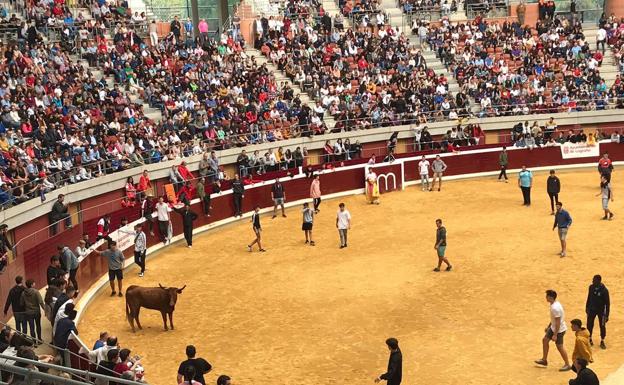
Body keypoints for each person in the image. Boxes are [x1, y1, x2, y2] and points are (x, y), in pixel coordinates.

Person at [535, 289, 571, 371]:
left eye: (547, 296)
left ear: (550, 297)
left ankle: (567, 364)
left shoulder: (555, 308)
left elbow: (558, 322)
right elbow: (554, 320)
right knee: (545, 340)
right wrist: (549, 327)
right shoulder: (554, 304)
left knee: (560, 347)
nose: (546, 297)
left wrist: (555, 335)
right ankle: (544, 360)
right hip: (553, 328)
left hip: (559, 330)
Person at [585, 275, 610, 349]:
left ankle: (602, 340)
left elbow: (607, 304)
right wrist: (587, 307)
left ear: (599, 281)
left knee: (602, 326)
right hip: (592, 309)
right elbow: (589, 297)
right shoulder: (591, 287)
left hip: (601, 311)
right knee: (589, 324)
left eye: (594, 280)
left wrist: (607, 315)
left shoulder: (604, 290)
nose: (592, 281)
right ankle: (589, 339)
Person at [20, 279, 44, 343]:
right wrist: (45, 310)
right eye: (34, 283)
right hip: (36, 312)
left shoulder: (23, 293)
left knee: (31, 327)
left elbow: (21, 303)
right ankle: (39, 340)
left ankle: (34, 341)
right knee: (38, 325)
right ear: (31, 285)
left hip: (28, 312)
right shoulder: (36, 292)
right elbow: (41, 302)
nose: (35, 284)